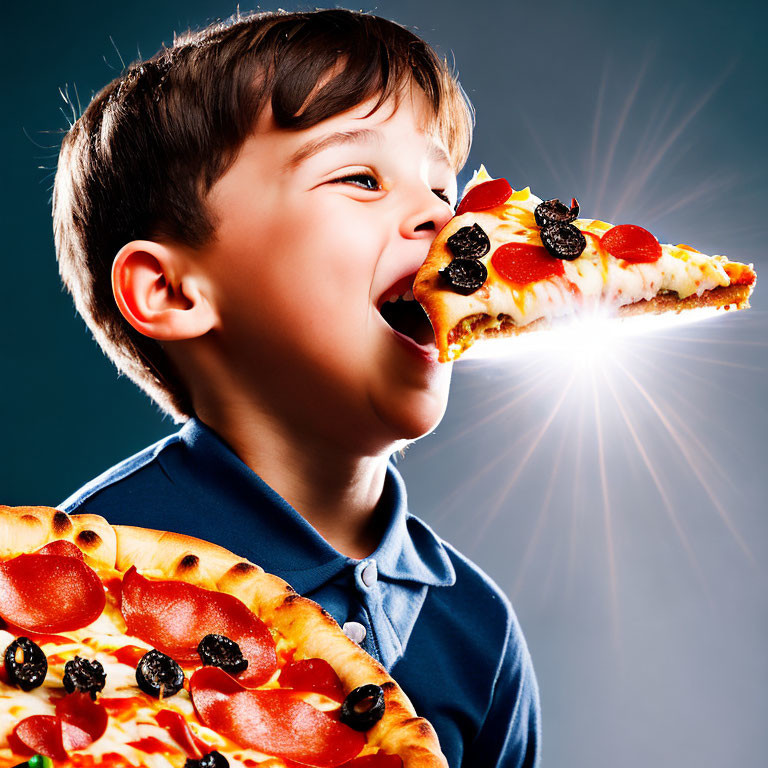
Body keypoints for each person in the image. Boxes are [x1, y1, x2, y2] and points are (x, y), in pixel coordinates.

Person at [53, 8, 541, 766]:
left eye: (446, 193)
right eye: (361, 178)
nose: (448, 227)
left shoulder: (477, 630)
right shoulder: (79, 575)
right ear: (173, 291)